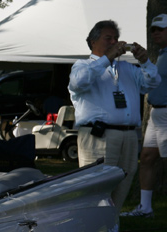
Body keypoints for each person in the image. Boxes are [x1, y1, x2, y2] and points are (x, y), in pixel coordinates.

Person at [69, 19, 160, 211]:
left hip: (128, 135)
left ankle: (110, 228)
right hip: (99, 136)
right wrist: (106, 59)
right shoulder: (83, 66)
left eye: (116, 38)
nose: (114, 42)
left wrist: (145, 61)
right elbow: (79, 83)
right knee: (96, 189)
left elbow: (152, 83)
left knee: (121, 188)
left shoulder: (126, 68)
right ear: (93, 42)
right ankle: (91, 230)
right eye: (108, 38)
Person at [130, 13, 167, 218]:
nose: (155, 33)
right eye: (153, 29)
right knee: (146, 158)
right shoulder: (162, 53)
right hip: (156, 114)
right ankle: (145, 208)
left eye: (160, 29)